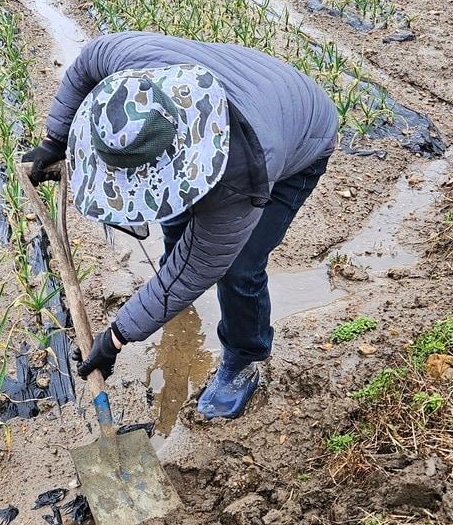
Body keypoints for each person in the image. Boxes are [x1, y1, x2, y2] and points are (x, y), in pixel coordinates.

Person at [21, 31, 338, 420]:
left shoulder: (242, 176)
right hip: (254, 83)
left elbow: (198, 266)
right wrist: (56, 136)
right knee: (175, 215)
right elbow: (86, 63)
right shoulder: (131, 66)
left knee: (240, 266)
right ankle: (168, 296)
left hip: (302, 131)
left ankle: (246, 358)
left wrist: (117, 337)